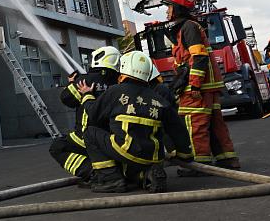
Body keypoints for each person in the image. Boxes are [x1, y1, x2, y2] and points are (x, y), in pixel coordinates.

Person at [78, 51, 193, 193]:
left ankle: (111, 179)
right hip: (153, 156)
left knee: (90, 133)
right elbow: (178, 130)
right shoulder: (158, 99)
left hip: (126, 150)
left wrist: (87, 95)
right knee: (132, 158)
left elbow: (93, 115)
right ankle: (146, 175)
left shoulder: (115, 91)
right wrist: (185, 155)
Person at [163, 0, 240, 171]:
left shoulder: (188, 27)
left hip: (198, 85)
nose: (167, 11)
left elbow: (198, 57)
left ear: (178, 8)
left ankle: (199, 164)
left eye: (169, 7)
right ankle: (227, 159)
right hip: (207, 85)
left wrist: (195, 83)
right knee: (214, 123)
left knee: (194, 123)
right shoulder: (189, 27)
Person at [48, 45, 120, 182]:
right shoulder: (118, 83)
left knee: (57, 148)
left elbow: (66, 98)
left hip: (85, 137)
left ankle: (92, 172)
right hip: (112, 138)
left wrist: (72, 84)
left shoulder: (86, 80)